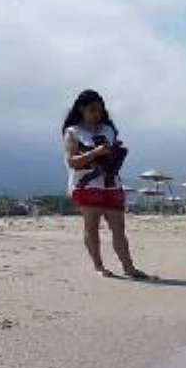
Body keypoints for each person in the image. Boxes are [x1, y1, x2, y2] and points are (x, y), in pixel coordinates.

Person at [61, 89, 151, 279]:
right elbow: (71, 162)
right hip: (86, 184)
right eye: (92, 110)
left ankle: (128, 267)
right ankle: (99, 266)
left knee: (118, 227)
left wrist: (116, 153)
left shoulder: (108, 129)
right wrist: (94, 153)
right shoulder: (72, 132)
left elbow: (112, 153)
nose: (97, 114)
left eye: (100, 110)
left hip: (111, 181)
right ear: (81, 109)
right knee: (91, 226)